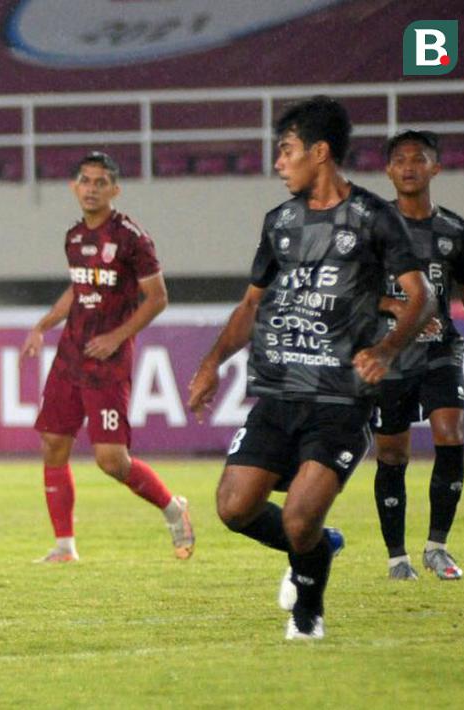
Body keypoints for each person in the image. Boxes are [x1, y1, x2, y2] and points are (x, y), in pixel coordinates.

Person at [188, 96, 433, 640]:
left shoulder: (373, 218)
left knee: (299, 516)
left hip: (340, 399)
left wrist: (388, 349)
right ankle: (323, 545)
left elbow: (421, 298)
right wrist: (211, 364)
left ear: (319, 153)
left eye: (287, 150)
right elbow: (252, 305)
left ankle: (308, 613)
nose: (279, 162)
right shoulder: (280, 222)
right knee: (233, 508)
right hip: (279, 392)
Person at [23, 151, 194, 564]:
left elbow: (158, 298)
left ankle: (174, 509)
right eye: (85, 180)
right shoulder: (74, 236)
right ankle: (64, 546)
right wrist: (44, 324)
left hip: (108, 361)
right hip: (71, 354)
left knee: (111, 461)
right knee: (53, 444)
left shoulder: (133, 239)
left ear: (115, 189)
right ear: (74, 187)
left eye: (101, 182)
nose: (92, 188)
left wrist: (117, 337)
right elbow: (78, 289)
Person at [372, 130, 464, 581]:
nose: (409, 166)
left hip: (440, 351)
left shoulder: (456, 232)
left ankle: (437, 546)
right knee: (392, 455)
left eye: (419, 159)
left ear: (436, 168)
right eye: (400, 159)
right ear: (388, 170)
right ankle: (398, 558)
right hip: (390, 355)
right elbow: (349, 290)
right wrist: (397, 307)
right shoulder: (371, 228)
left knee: (449, 433)